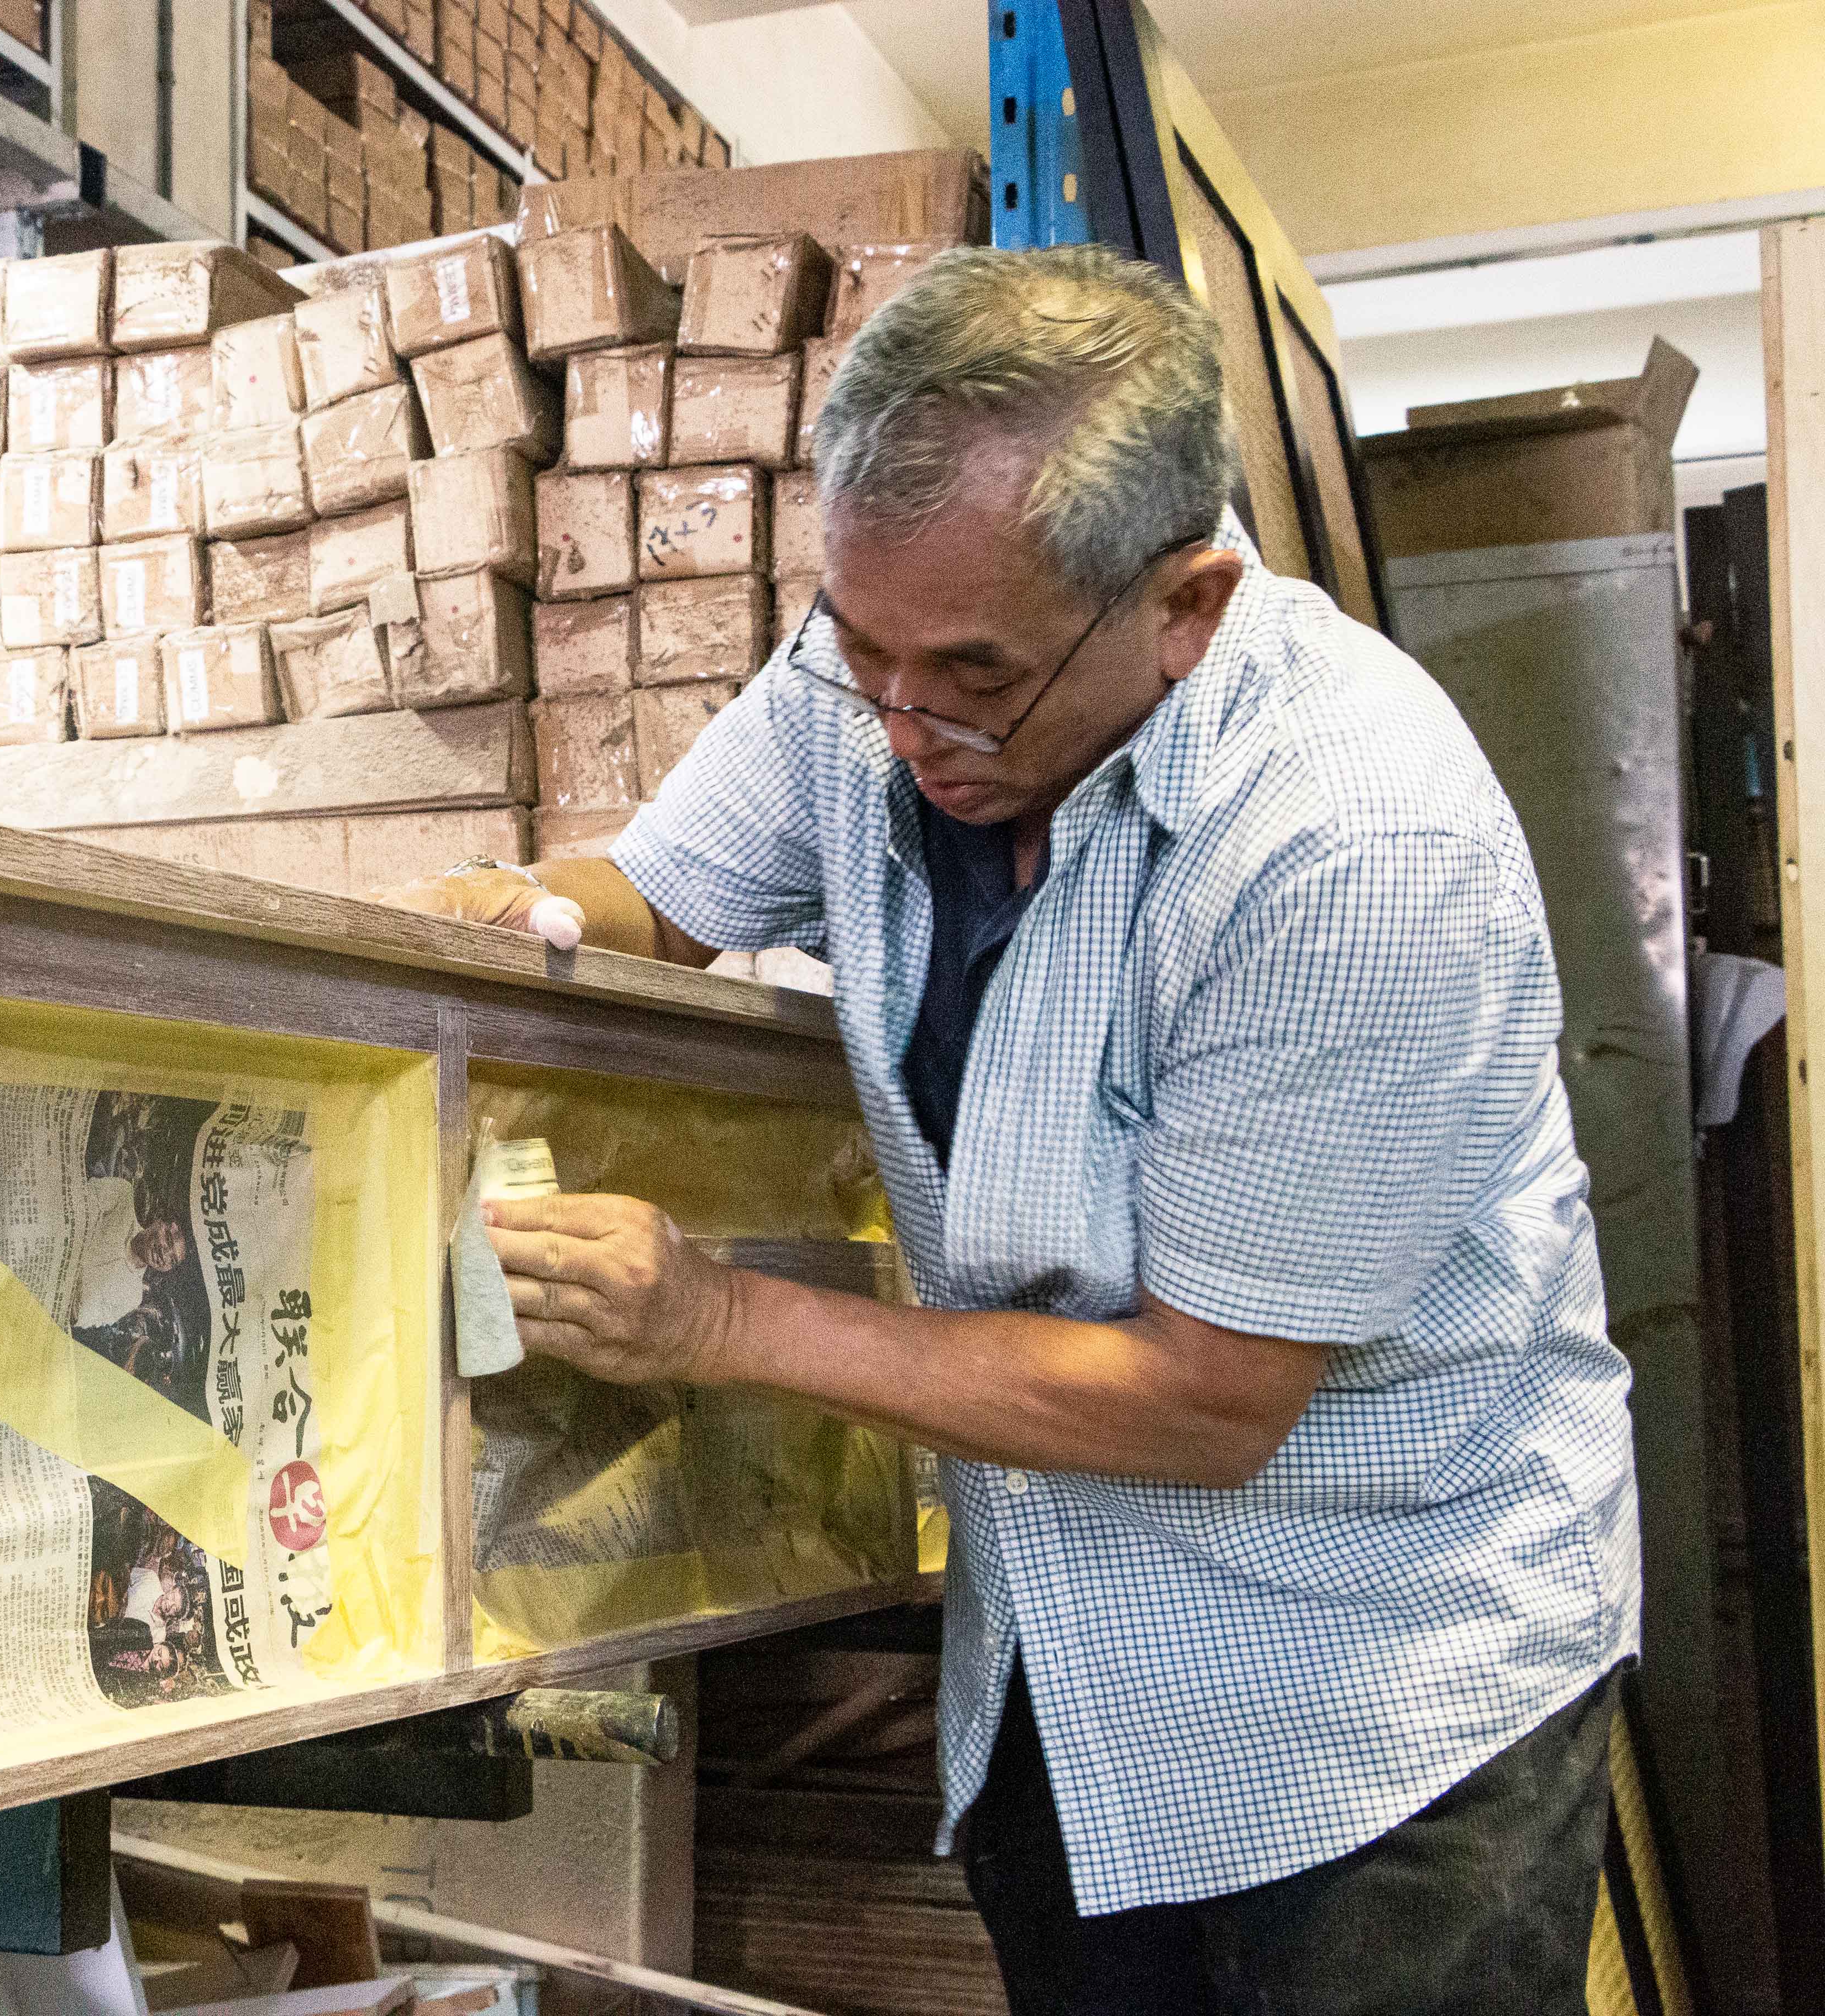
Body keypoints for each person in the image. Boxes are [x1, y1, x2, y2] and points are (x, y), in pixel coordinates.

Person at [392, 245, 1638, 2013]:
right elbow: (662, 889)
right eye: (862, 650)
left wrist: (721, 1319)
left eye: (970, 677)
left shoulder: (1353, 843)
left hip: (1373, 1694)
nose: (904, 730)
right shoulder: (883, 687)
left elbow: (1210, 1399)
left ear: (1187, 606)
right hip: (1072, 1655)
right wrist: (528, 912)